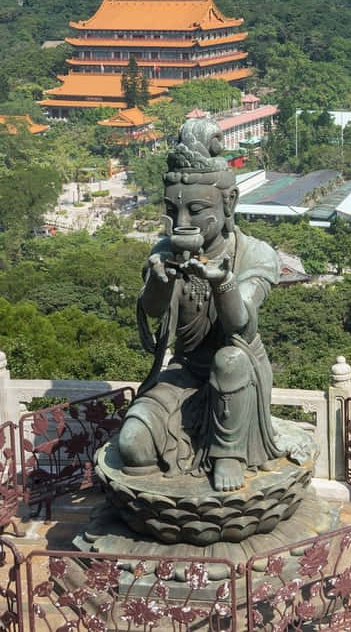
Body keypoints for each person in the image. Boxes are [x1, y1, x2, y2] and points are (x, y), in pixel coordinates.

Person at [117, 118, 283, 491]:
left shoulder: (254, 254)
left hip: (238, 377)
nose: (182, 222)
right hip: (185, 372)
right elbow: (154, 312)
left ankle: (230, 452)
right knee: (132, 445)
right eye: (172, 210)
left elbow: (240, 325)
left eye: (195, 209)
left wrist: (223, 281)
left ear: (229, 203)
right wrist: (160, 279)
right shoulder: (164, 251)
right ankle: (153, 499)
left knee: (229, 359)